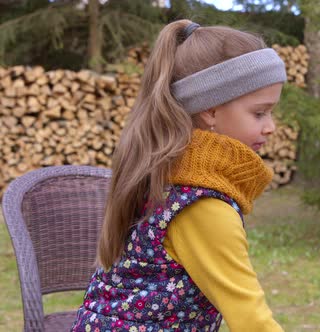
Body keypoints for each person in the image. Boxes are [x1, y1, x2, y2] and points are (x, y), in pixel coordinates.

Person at [71, 19, 286, 332]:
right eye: (259, 113)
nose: (271, 127)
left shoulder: (163, 176)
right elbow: (252, 322)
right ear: (210, 110)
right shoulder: (202, 206)